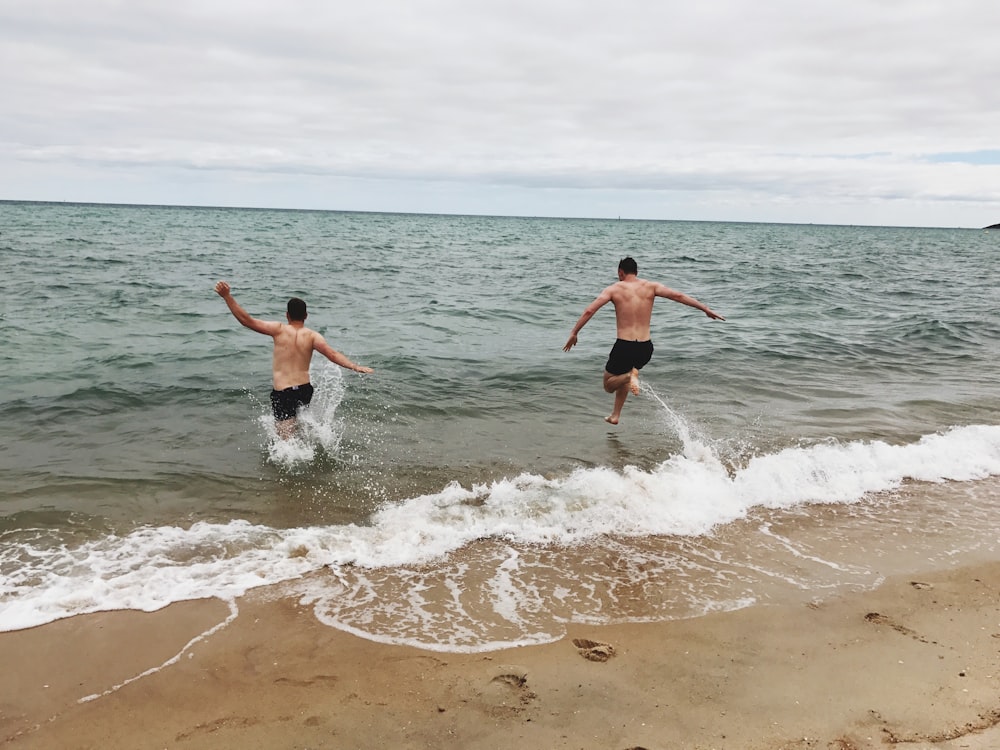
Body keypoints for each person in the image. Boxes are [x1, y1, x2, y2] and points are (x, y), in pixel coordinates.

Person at [563, 257, 724, 425]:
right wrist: (705, 309)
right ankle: (615, 415)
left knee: (609, 384)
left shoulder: (614, 289)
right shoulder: (651, 286)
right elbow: (678, 295)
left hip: (624, 346)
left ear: (620, 272)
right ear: (637, 272)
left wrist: (574, 332)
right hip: (645, 348)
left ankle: (629, 376)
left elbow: (590, 310)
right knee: (626, 373)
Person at [214, 281, 373, 439]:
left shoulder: (279, 330)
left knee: (284, 439)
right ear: (306, 316)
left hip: (284, 391)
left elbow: (246, 320)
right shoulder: (313, 336)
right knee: (297, 428)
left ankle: (290, 460)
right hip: (305, 389)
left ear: (287, 315)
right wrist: (355, 366)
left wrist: (227, 296)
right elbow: (332, 354)